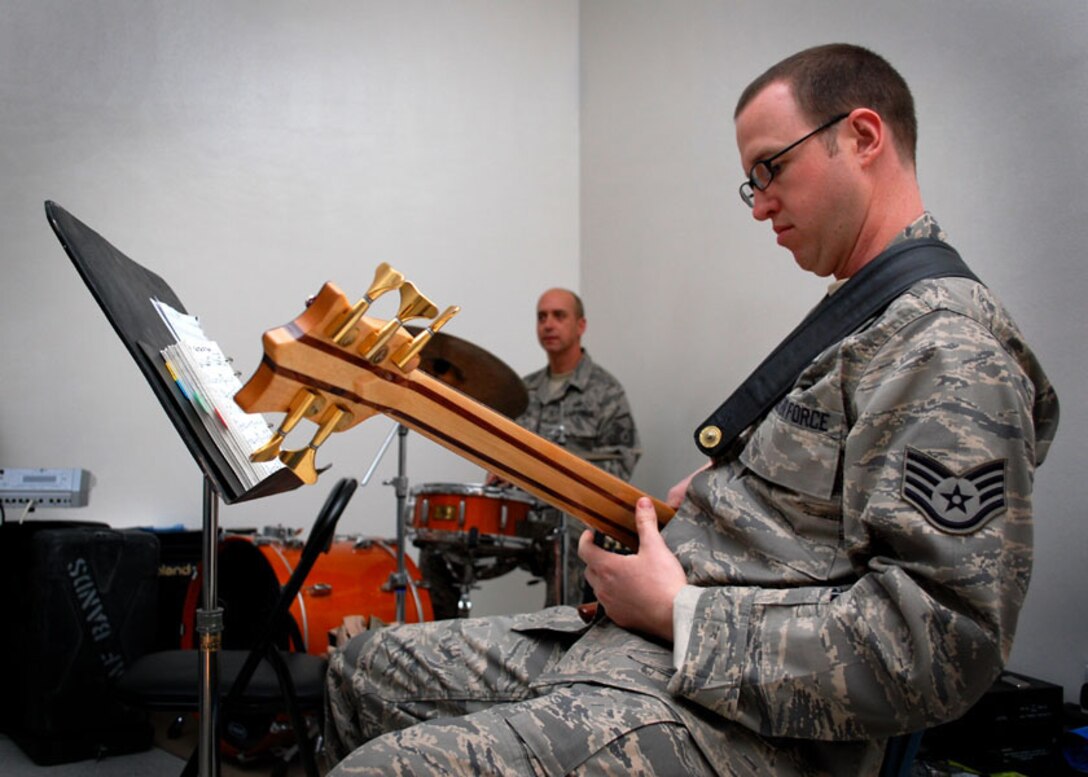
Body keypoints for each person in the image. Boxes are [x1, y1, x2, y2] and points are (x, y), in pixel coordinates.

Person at [324, 43, 1059, 775]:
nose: (761, 203)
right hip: (643, 646)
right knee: (363, 667)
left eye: (771, 168)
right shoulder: (862, 320)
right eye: (751, 183)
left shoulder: (946, 346)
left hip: (734, 712)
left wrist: (681, 611)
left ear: (863, 137)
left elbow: (937, 650)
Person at [419, 287, 641, 618]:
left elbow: (623, 462)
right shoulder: (520, 391)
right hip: (523, 520)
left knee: (568, 536)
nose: (549, 324)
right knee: (438, 542)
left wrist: (561, 482)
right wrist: (498, 469)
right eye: (542, 317)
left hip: (571, 523)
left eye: (559, 316)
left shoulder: (604, 391)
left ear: (580, 326)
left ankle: (556, 644)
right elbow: (502, 451)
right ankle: (447, 645)